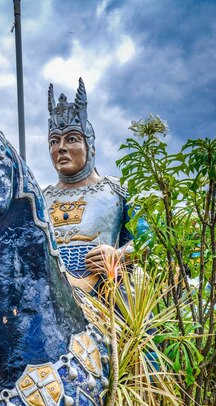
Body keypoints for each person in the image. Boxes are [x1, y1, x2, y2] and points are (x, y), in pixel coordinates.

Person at [44, 79, 134, 293]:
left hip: (107, 295)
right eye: (54, 141)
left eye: (72, 139)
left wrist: (119, 255)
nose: (61, 148)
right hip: (50, 297)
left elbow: (149, 240)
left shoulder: (116, 191)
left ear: (89, 146)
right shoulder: (40, 198)